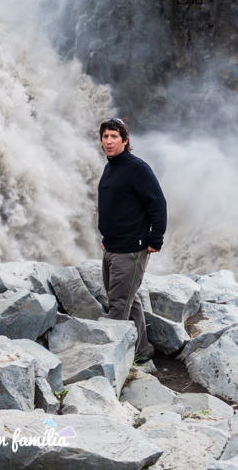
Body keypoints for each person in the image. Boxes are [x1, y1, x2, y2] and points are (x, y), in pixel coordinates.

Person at [97, 117, 167, 364]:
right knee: (129, 300)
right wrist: (107, 237)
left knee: (117, 308)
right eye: (105, 136)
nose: (108, 141)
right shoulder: (111, 165)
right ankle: (142, 350)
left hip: (131, 251)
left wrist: (155, 239)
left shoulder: (137, 168)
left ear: (125, 141)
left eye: (114, 136)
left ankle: (112, 367)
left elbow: (157, 203)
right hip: (112, 247)